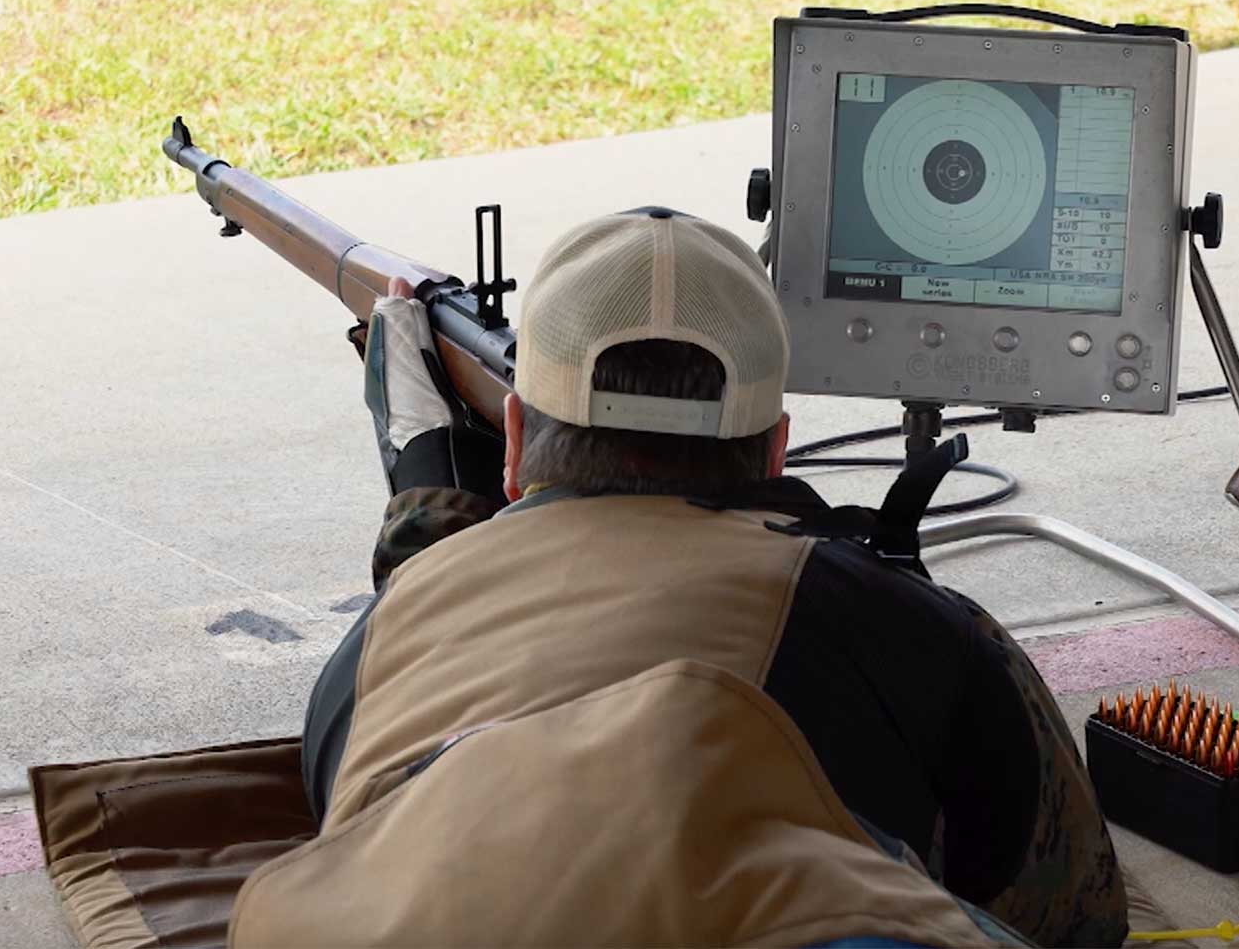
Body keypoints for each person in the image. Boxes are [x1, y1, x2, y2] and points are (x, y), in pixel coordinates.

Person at [241, 207, 1128, 946]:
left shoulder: (383, 641)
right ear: (775, 445)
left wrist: (428, 489)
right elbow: (1077, 910)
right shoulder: (914, 629)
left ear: (512, 444)